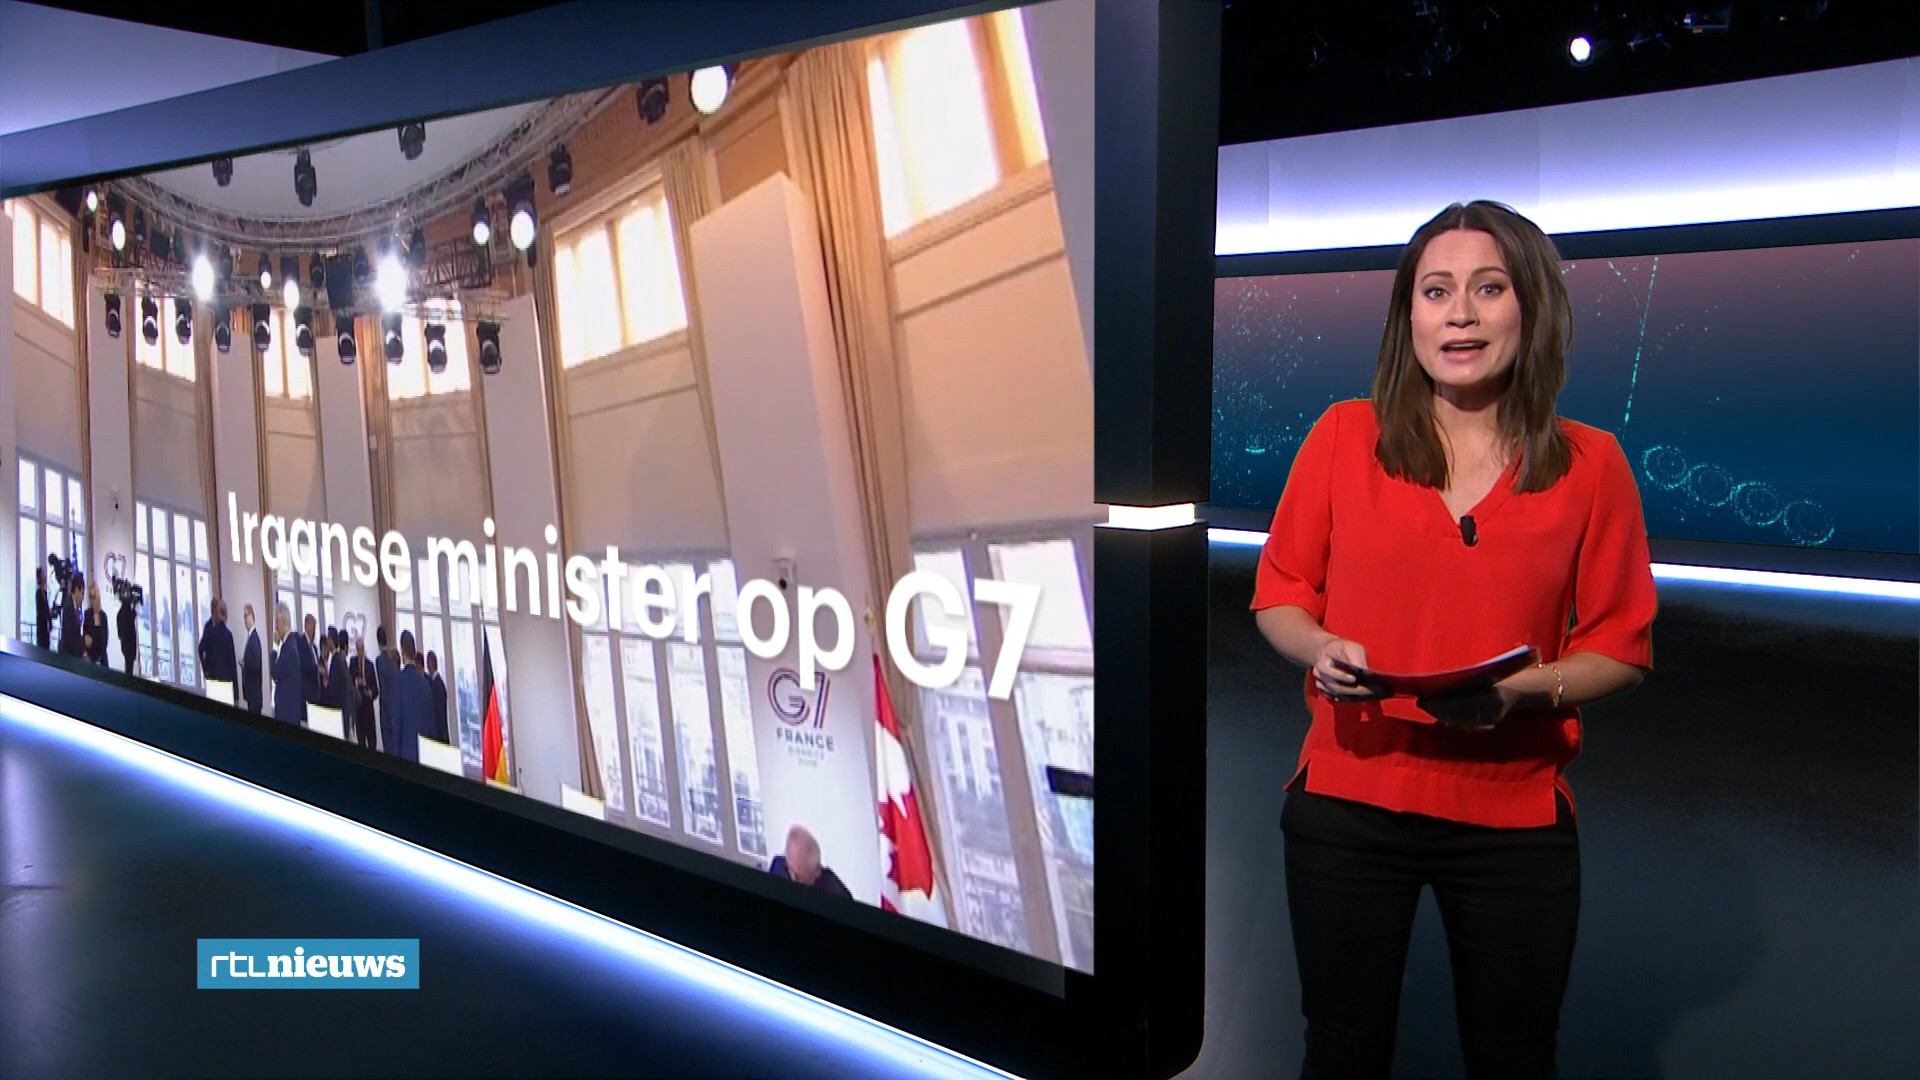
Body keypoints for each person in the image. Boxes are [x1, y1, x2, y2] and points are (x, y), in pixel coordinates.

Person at [1251, 201, 1656, 1080]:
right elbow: (1280, 595)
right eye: (1436, 292)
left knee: (1515, 1060)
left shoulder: (1593, 465)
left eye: (1488, 288)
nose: (1460, 314)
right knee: (1343, 1054)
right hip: (1350, 799)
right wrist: (1319, 648)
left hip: (1513, 812)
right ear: (1410, 317)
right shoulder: (1342, 435)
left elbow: (1620, 648)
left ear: (1532, 307)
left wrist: (1521, 692)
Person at [767, 826, 853, 898]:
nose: (793, 879)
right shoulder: (777, 869)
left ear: (817, 871)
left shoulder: (838, 897)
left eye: (800, 877)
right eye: (791, 870)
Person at [270, 603, 317, 727]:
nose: (275, 627)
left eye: (276, 622)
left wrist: (274, 647)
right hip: (288, 711)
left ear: (282, 621)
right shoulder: (290, 644)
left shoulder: (288, 647)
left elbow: (275, 673)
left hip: (287, 712)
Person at [391, 630, 431, 764]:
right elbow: (431, 724)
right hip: (425, 755)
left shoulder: (399, 682)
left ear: (402, 651)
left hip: (405, 755)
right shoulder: (425, 684)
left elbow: (397, 722)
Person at [198, 597, 237, 690]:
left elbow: (201, 649)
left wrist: (206, 670)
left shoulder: (210, 632)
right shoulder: (227, 635)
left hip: (214, 679)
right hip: (225, 680)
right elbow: (232, 663)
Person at [348, 635, 379, 751]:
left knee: (372, 742)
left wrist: (371, 693)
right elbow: (348, 683)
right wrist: (356, 682)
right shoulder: (352, 663)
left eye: (362, 649)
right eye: (358, 649)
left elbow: (376, 690)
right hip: (358, 709)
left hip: (368, 710)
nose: (360, 652)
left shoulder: (370, 665)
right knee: (361, 743)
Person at [375, 626, 400, 756]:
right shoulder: (393, 658)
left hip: (386, 709)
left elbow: (383, 688)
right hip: (395, 706)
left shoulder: (379, 661)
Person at [240, 604, 264, 713]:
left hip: (254, 694)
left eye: (246, 615)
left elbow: (256, 664)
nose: (245, 619)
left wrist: (245, 664)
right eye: (244, 616)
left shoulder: (254, 638)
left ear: (251, 616)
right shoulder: (251, 637)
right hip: (252, 694)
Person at [425, 650, 450, 745]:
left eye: (428, 664)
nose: (427, 667)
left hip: (440, 734)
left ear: (431, 664)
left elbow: (438, 714)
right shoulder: (438, 683)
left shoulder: (437, 686)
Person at [84, 582, 110, 666]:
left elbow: (104, 641)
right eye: (90, 597)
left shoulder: (103, 616)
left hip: (102, 660)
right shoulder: (87, 614)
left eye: (94, 596)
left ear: (98, 597)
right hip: (90, 660)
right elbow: (85, 637)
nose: (92, 600)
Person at [57, 579, 84, 658]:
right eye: (82, 593)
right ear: (77, 590)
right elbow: (71, 636)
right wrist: (84, 641)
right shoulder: (69, 607)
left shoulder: (73, 606)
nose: (82, 598)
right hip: (69, 655)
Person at [116, 586, 137, 675]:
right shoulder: (124, 613)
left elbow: (120, 633)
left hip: (126, 647)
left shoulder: (121, 613)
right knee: (129, 669)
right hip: (128, 647)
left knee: (129, 668)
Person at [34, 567, 51, 650]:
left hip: (46, 628)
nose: (45, 576)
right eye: (43, 574)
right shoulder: (38, 593)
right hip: (41, 628)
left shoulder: (45, 592)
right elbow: (40, 611)